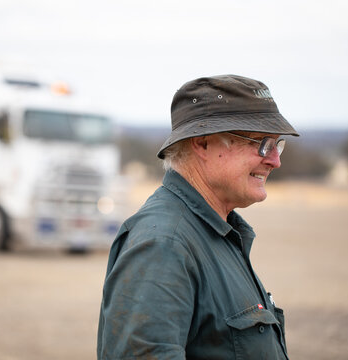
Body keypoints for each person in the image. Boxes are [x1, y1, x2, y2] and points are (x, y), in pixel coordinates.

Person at [97, 75, 299, 359]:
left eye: (277, 145)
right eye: (260, 143)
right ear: (203, 144)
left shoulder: (215, 233)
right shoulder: (164, 245)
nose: (274, 160)